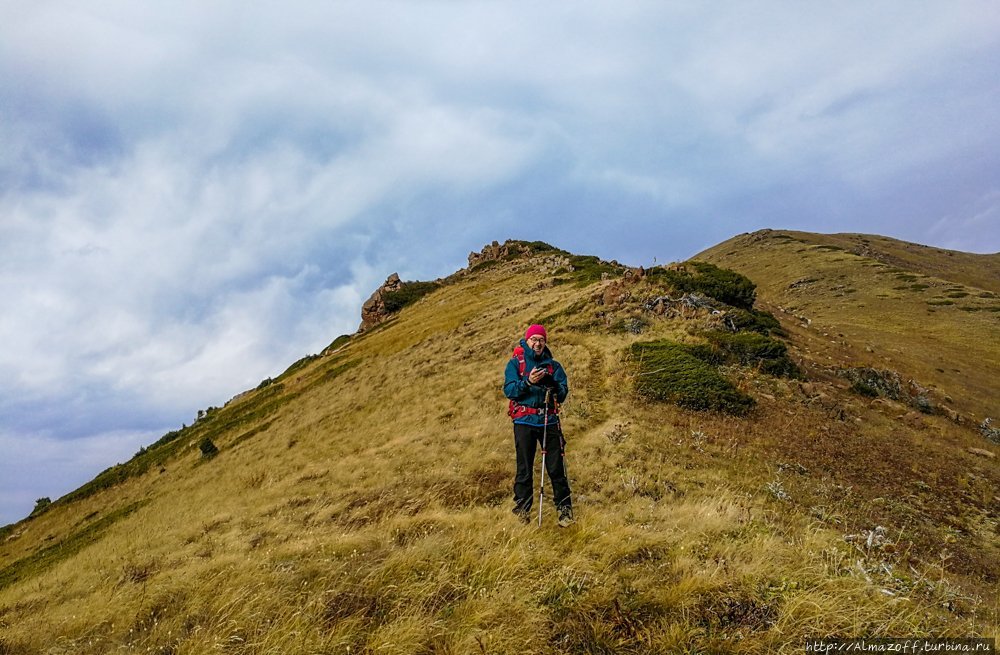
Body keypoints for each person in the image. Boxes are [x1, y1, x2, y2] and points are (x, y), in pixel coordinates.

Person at [503, 324, 573, 526]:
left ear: (545, 342)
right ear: (527, 341)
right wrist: (528, 383)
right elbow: (509, 390)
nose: (538, 343)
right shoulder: (516, 364)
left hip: (548, 421)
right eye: (534, 339)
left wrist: (553, 385)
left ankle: (565, 509)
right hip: (524, 421)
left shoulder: (554, 366)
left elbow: (563, 393)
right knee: (524, 467)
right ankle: (522, 510)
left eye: (541, 339)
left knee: (556, 466)